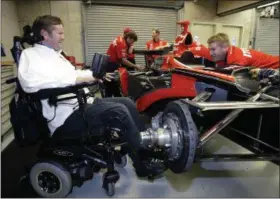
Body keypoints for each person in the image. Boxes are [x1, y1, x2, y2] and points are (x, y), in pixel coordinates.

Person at [18, 15, 165, 178]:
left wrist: (95, 74)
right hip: (65, 117)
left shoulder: (56, 55)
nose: (63, 37)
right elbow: (29, 83)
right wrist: (77, 79)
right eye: (59, 33)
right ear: (45, 34)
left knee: (127, 102)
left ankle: (145, 146)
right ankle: (142, 164)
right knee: (119, 111)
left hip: (81, 104)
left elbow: (74, 73)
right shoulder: (30, 55)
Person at [207, 33, 279, 69]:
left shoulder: (237, 60)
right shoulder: (231, 52)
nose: (210, 53)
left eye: (213, 49)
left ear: (225, 47)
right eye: (209, 49)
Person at [105, 30, 145, 97]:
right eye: (132, 41)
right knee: (111, 85)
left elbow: (123, 57)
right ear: (128, 37)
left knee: (113, 85)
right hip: (111, 64)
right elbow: (123, 60)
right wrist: (135, 66)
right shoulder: (121, 43)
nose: (132, 43)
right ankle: (108, 101)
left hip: (111, 63)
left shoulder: (121, 39)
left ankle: (116, 98)